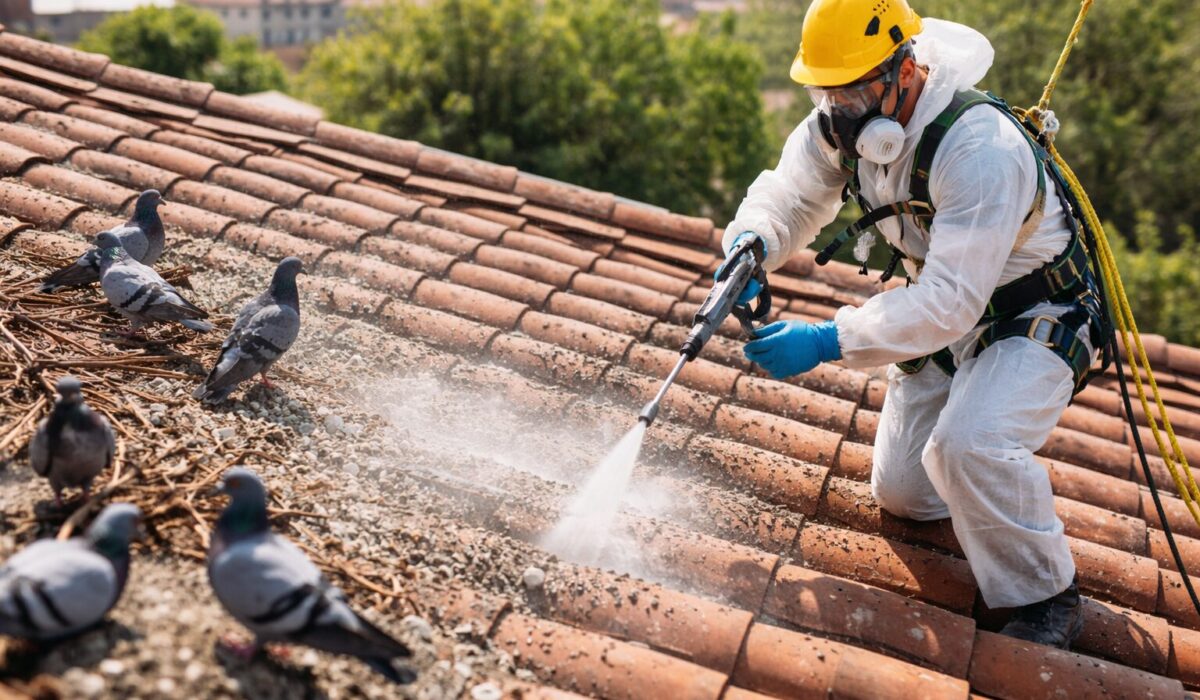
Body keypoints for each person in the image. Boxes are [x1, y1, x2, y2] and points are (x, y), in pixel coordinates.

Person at [723, 0, 1104, 648]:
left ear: (906, 69)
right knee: (905, 492)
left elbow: (949, 301)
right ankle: (977, 470)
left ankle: (1047, 597)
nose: (840, 107)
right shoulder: (843, 125)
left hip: (1034, 311)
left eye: (854, 90)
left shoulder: (980, 149)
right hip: (950, 314)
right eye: (828, 91)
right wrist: (752, 243)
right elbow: (789, 195)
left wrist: (827, 340)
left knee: (965, 445)